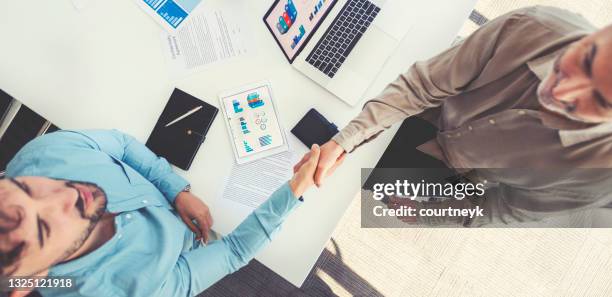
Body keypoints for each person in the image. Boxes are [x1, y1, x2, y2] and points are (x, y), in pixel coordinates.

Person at [295, 6, 612, 225]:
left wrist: (426, 214)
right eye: (585, 59)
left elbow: (501, 207)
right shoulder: (532, 25)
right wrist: (345, 141)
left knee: (355, 193)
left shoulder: (599, 177)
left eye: (598, 98)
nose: (562, 92)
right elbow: (421, 85)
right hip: (435, 104)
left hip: (455, 170)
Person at [0, 129, 321, 297]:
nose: (66, 193)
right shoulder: (134, 291)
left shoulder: (45, 152)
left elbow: (122, 145)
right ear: (30, 281)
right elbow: (233, 251)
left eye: (27, 188)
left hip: (186, 186)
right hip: (206, 239)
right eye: (44, 226)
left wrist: (175, 189)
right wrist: (294, 189)